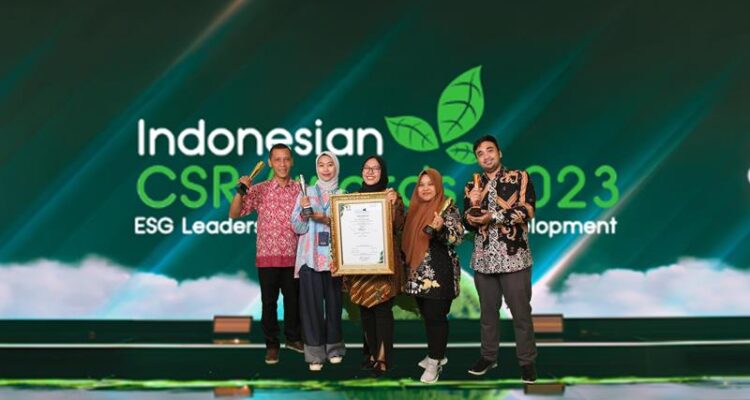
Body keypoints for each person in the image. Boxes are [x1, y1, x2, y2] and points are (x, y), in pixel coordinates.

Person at [463, 135, 538, 383]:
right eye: (480, 153)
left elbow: (527, 210)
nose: (486, 156)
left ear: (499, 153)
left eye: (490, 150)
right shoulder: (472, 185)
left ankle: (527, 362)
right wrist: (472, 207)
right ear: (477, 159)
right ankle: (488, 357)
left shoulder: (519, 177)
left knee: (521, 314)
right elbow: (467, 223)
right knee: (488, 314)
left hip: (514, 258)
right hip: (484, 260)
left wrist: (492, 217)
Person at [229, 143, 304, 365]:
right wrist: (241, 191)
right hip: (267, 257)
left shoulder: (301, 190)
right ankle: (272, 346)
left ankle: (293, 339)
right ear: (270, 163)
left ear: (292, 161)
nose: (282, 164)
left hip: (294, 257)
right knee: (269, 303)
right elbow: (234, 213)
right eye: (277, 160)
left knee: (294, 302)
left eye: (286, 159)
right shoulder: (260, 189)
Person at [343, 155, 405, 377]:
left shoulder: (391, 196)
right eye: (366, 168)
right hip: (359, 263)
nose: (370, 172)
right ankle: (370, 355)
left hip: (382, 263)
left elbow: (399, 226)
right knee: (365, 310)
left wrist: (393, 204)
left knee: (381, 310)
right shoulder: (351, 199)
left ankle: (383, 358)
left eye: (375, 168)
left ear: (382, 172)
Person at [402, 168, 464, 383]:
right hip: (416, 276)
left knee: (436, 317)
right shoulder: (413, 210)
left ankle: (435, 362)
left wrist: (441, 229)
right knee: (428, 317)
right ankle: (435, 354)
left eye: (430, 184)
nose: (426, 188)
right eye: (421, 185)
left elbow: (457, 238)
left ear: (438, 187)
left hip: (440, 275)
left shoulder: (448, 208)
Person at [291, 151, 346, 371]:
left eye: (330, 164)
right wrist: (304, 211)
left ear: (336, 167)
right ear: (316, 168)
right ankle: (314, 354)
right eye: (321, 165)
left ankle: (334, 349)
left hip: (334, 261)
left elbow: (348, 228)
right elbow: (297, 227)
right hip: (309, 259)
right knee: (311, 309)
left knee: (334, 307)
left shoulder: (343, 195)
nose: (325, 169)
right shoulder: (306, 193)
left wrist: (326, 219)